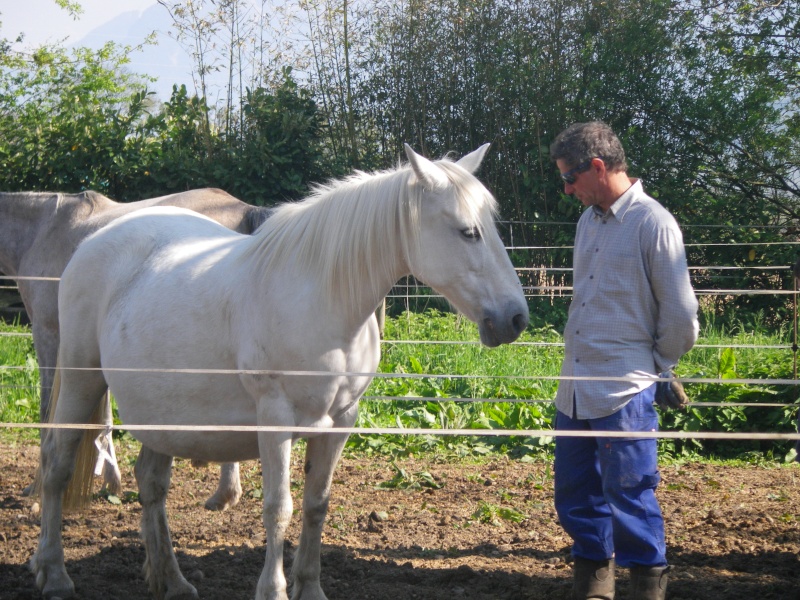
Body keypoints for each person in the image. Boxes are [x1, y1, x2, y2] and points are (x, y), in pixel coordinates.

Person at [549, 121, 699, 600]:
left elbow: (680, 316)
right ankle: (594, 582)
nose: (567, 189)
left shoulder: (653, 223)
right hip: (574, 387)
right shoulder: (587, 221)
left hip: (624, 390)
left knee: (631, 495)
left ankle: (646, 588)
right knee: (575, 493)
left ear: (597, 166)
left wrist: (657, 366)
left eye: (570, 178)